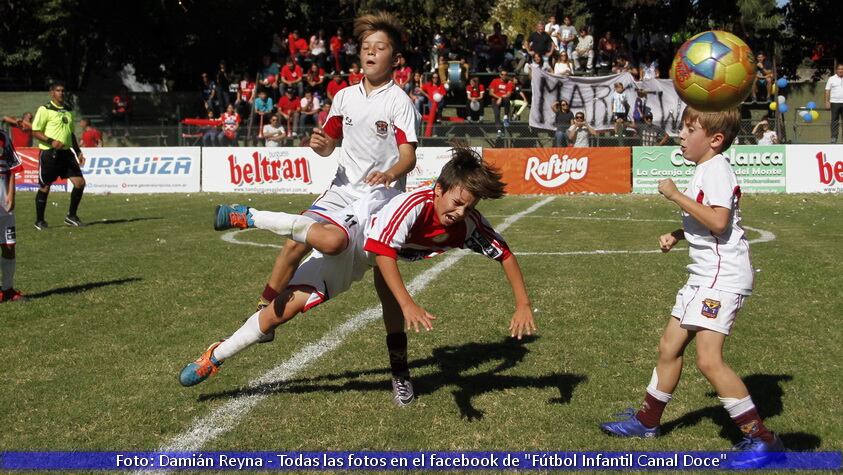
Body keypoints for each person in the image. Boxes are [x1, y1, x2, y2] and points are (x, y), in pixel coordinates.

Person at [181, 148, 537, 407]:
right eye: (456, 202)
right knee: (333, 243)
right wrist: (409, 301)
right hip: (362, 228)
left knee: (289, 312)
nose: (459, 213)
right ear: (439, 189)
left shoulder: (468, 226)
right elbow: (382, 250)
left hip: (375, 255)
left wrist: (522, 304)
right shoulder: (414, 205)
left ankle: (400, 374)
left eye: (468, 208)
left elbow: (504, 254)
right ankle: (249, 219)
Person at [251, 12, 421, 405]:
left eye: (380, 48)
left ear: (395, 59)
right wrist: (321, 144)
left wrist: (390, 172)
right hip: (341, 193)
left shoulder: (399, 102)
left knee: (387, 290)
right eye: (365, 48)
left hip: (382, 203)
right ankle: (264, 311)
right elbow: (329, 141)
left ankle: (400, 373)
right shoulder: (343, 96)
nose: (370, 53)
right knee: (295, 239)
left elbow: (409, 157)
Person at [600, 106, 785, 465]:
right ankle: (647, 421)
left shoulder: (715, 169)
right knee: (669, 346)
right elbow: (710, 222)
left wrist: (674, 195)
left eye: (689, 130)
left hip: (721, 276)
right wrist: (679, 233)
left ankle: (762, 439)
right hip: (704, 275)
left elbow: (719, 221)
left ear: (715, 140)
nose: (682, 136)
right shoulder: (705, 168)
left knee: (708, 359)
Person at [30, 81, 87, 230]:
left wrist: (78, 151)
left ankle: (71, 216)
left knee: (80, 183)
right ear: (52, 93)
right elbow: (35, 131)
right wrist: (51, 141)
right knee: (45, 187)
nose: (61, 93)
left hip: (67, 154)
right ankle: (39, 220)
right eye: (58, 90)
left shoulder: (69, 110)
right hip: (50, 153)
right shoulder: (45, 109)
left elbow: (71, 134)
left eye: (63, 90)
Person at [0, 129, 23, 302]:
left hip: (4, 204)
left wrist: (11, 194)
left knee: (9, 246)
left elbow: (13, 167)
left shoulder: (3, 136)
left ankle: (8, 289)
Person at [489, 70, 514, 136]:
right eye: (502, 74)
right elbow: (491, 93)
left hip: (504, 99)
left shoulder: (509, 83)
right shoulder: (495, 81)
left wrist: (501, 98)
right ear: (500, 75)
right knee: (496, 114)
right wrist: (499, 98)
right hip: (495, 99)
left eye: (505, 74)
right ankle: (499, 131)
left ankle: (505, 117)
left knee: (507, 99)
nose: (504, 76)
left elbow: (508, 94)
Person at [825, 63, 843, 144]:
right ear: (836, 70)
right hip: (834, 103)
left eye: (842, 69)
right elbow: (827, 90)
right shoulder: (831, 79)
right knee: (834, 121)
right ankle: (834, 138)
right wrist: (827, 101)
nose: (841, 70)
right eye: (839, 69)